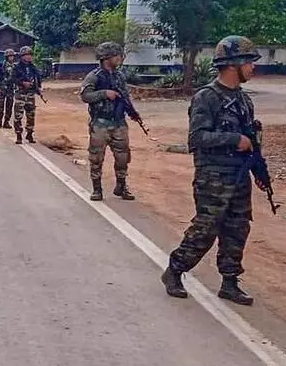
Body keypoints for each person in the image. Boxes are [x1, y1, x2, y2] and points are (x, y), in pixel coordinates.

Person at [161, 36, 266, 306]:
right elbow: (197, 139)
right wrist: (234, 141)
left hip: (239, 175)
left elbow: (250, 141)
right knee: (206, 228)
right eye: (249, 62)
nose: (253, 68)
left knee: (237, 228)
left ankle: (230, 282)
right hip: (213, 177)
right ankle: (175, 269)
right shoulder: (206, 98)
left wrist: (259, 170)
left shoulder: (244, 100)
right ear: (233, 65)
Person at [79, 41, 144, 202]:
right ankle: (97, 189)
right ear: (107, 57)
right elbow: (85, 96)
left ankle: (121, 186)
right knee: (96, 158)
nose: (120, 58)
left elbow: (125, 97)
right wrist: (104, 93)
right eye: (117, 55)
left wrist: (133, 113)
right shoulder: (94, 76)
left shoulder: (119, 76)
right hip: (100, 124)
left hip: (119, 123)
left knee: (123, 157)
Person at [10, 45, 42, 144]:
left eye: (30, 55)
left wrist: (39, 88)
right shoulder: (16, 67)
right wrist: (22, 83)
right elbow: (12, 79)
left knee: (31, 115)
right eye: (26, 55)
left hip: (31, 94)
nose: (29, 57)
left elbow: (38, 78)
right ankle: (19, 135)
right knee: (18, 116)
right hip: (20, 94)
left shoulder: (33, 67)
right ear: (22, 56)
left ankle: (30, 133)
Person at [0, 49, 17, 129]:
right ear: (6, 57)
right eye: (10, 56)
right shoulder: (1, 65)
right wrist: (1, 79)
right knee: (1, 105)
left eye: (12, 56)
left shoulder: (15, 66)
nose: (11, 58)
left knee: (9, 105)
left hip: (10, 88)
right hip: (2, 88)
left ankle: (6, 121)